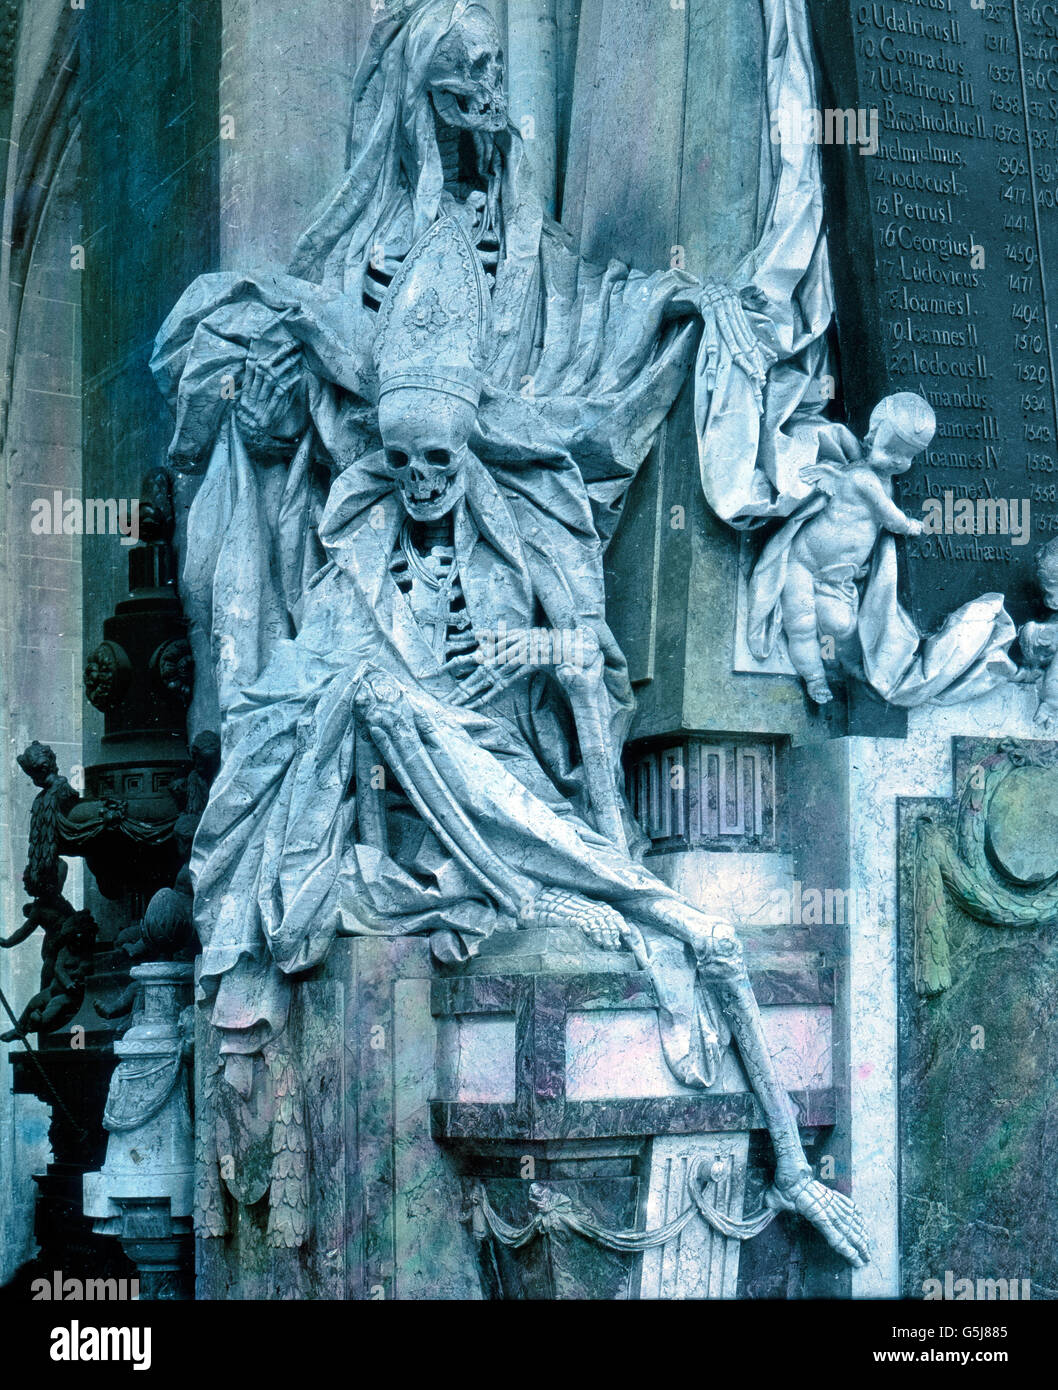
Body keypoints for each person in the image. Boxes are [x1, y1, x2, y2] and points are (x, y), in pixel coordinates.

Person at [191, 215, 870, 1266]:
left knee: (664, 919)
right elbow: (299, 688)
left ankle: (788, 1163)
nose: (419, 480)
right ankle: (261, 955)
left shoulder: (516, 547)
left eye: (437, 460)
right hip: (402, 811)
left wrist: (525, 645)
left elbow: (585, 662)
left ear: (464, 455)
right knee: (362, 703)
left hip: (504, 783)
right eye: (403, 460)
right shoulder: (356, 556)